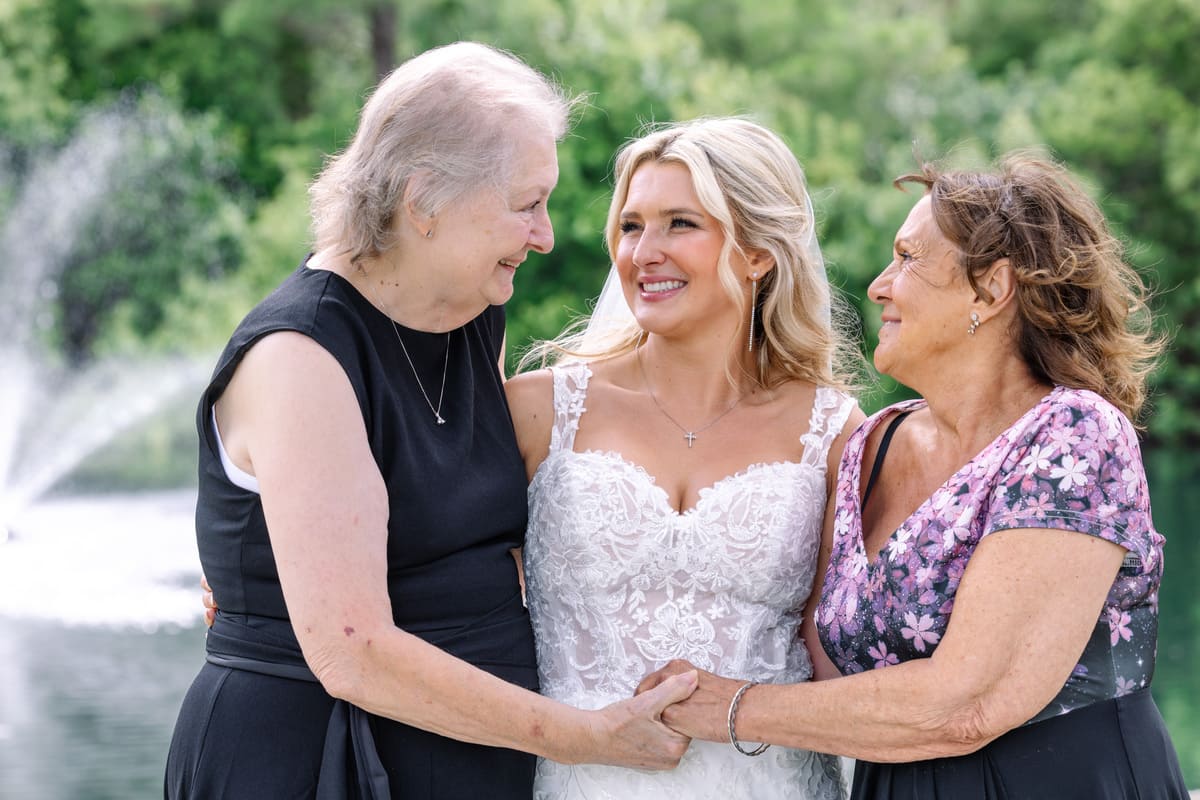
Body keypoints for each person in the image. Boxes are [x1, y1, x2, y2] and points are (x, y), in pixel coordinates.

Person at [164, 41, 701, 800]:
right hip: (310, 761)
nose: (546, 235)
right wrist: (588, 737)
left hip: (470, 757)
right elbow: (354, 655)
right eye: (527, 204)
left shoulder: (472, 315)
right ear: (422, 202)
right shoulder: (298, 355)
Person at [640, 152, 1189, 799]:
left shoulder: (1073, 435)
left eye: (907, 259)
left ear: (992, 288)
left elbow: (967, 705)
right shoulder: (872, 443)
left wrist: (732, 708)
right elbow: (817, 661)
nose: (878, 285)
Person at [505, 117, 863, 799]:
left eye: (680, 224)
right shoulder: (535, 412)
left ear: (759, 252)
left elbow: (838, 657)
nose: (644, 252)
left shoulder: (833, 432)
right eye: (633, 225)